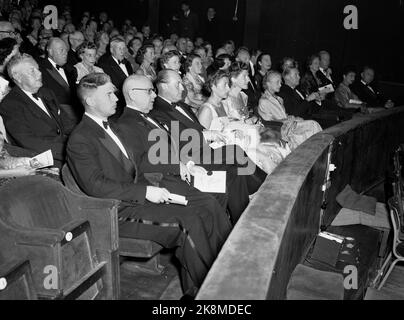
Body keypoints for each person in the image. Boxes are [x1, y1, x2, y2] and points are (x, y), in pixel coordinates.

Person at [67, 73, 231, 297]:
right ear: (91, 101)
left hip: (138, 198)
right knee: (188, 222)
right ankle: (209, 293)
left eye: (114, 92)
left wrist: (181, 168)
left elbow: (142, 164)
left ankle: (220, 274)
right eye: (109, 94)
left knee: (200, 209)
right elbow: (96, 186)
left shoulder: (113, 127)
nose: (116, 98)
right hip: (117, 211)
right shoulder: (80, 138)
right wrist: (146, 191)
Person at [150, 70, 267, 223]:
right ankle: (265, 189)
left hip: (204, 151)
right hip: (190, 159)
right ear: (164, 86)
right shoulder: (158, 110)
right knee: (234, 152)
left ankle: (243, 219)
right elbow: (173, 140)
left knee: (235, 168)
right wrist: (205, 135)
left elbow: (201, 129)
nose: (182, 88)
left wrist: (223, 132)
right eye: (177, 84)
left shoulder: (182, 106)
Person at [198, 70, 290, 174]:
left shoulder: (223, 105)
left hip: (234, 144)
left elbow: (231, 125)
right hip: (222, 151)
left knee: (270, 148)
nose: (228, 88)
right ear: (213, 86)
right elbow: (200, 140)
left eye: (228, 85)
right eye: (225, 85)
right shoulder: (206, 110)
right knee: (261, 155)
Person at [0, 54, 72, 167]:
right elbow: (28, 142)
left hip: (69, 149)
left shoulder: (47, 92)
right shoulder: (10, 105)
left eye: (38, 69)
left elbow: (66, 123)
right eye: (32, 71)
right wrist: (70, 151)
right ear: (17, 77)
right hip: (47, 161)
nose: (39, 73)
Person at [258, 71, 322, 150]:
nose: (280, 84)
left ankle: (319, 153)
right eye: (277, 82)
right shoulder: (264, 101)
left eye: (280, 82)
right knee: (312, 126)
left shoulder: (278, 99)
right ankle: (317, 153)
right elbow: (268, 123)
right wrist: (288, 120)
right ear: (268, 84)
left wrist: (291, 117)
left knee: (313, 124)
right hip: (282, 131)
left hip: (288, 125)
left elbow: (283, 115)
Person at [37, 37, 79, 125]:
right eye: (61, 50)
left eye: (66, 50)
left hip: (77, 114)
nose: (65, 53)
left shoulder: (71, 69)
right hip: (58, 118)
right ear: (50, 51)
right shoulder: (40, 69)